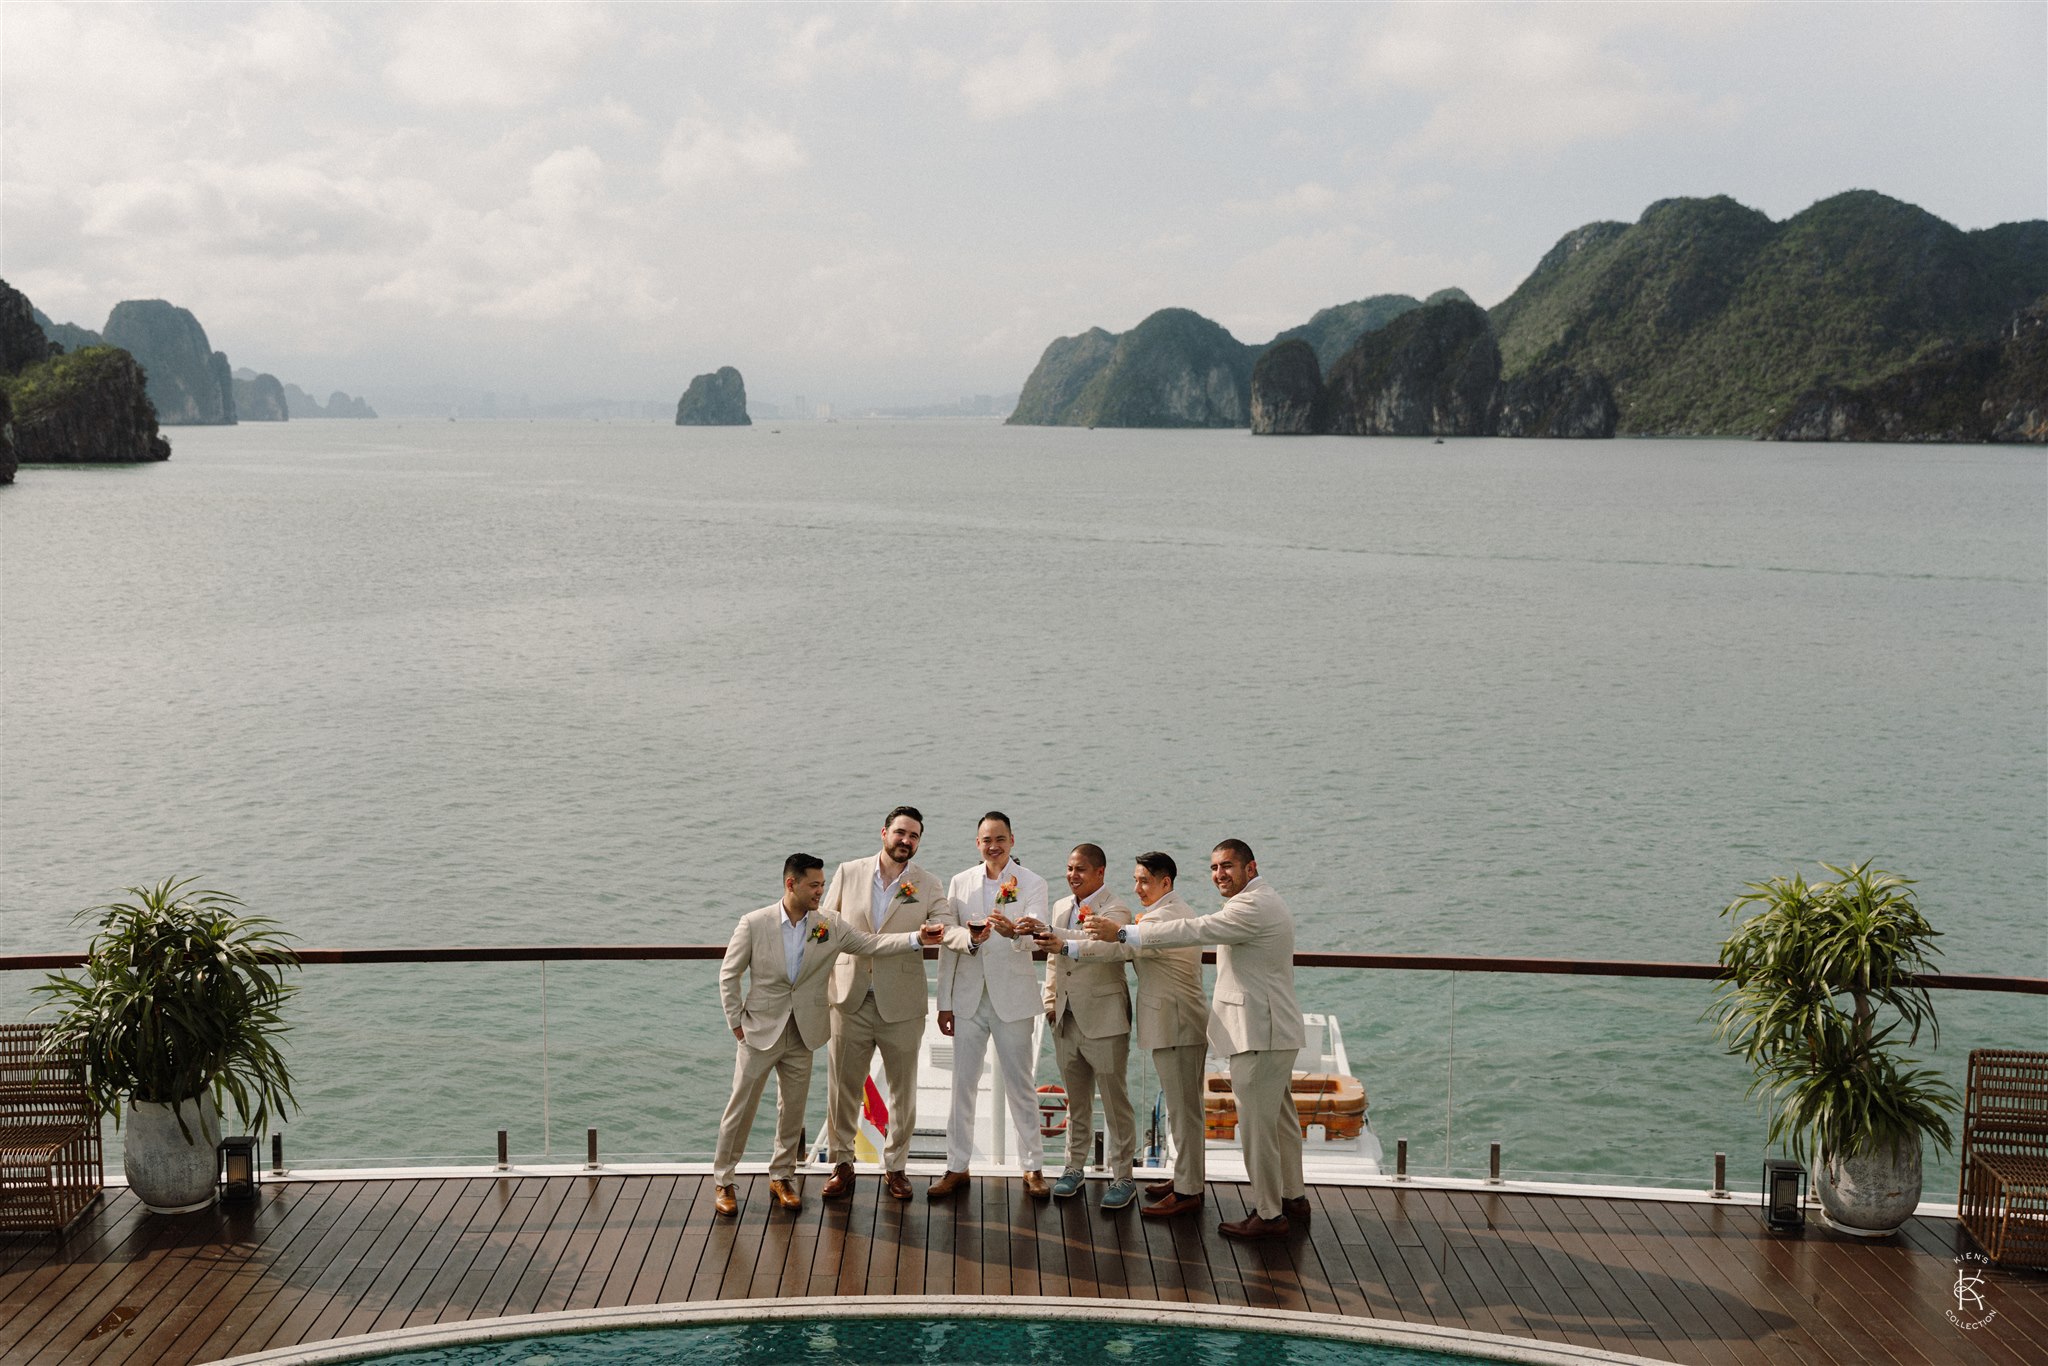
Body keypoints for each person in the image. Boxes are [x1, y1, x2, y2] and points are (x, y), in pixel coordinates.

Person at [1085, 839, 1305, 1240]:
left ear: (1250, 868)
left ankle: (1270, 1215)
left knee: (1259, 1129)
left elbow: (1197, 929)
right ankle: (1293, 1197)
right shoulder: (1263, 900)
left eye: (1228, 866)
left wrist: (1123, 932)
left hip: (1259, 1031)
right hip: (1272, 1029)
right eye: (1214, 867)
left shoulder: (1250, 906)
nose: (1219, 874)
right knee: (1281, 1122)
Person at [712, 854, 945, 1217]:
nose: (822, 891)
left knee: (792, 1111)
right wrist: (736, 1023)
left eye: (823, 884)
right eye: (814, 885)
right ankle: (724, 1181)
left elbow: (871, 944)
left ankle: (782, 1176)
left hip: (804, 1032)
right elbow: (729, 975)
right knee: (740, 1108)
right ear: (791, 884)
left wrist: (916, 938)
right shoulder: (754, 923)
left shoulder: (829, 924)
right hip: (758, 1031)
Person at [1046, 850, 1210, 1218]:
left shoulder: (1167, 916)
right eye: (1135, 879)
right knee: (1182, 1111)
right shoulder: (1155, 913)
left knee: (1182, 1112)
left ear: (1165, 882)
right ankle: (1186, 1180)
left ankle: (1183, 1192)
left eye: (1144, 881)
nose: (1136, 887)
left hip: (1177, 1022)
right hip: (1161, 1020)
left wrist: (1067, 940)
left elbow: (1119, 946)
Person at [819, 805, 962, 1201]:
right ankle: (842, 1164)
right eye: (900, 832)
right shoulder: (849, 872)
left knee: (903, 1091)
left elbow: (946, 926)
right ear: (883, 833)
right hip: (849, 997)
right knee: (843, 1088)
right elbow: (825, 924)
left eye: (914, 836)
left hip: (901, 1002)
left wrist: (968, 939)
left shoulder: (928, 883)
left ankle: (895, 1167)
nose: (906, 841)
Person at [929, 812, 1052, 1200]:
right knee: (962, 1086)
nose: (993, 846)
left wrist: (1014, 933)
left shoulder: (1034, 883)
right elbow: (950, 943)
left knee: (1021, 1086)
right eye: (986, 840)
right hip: (968, 999)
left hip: (1012, 999)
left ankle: (1032, 1167)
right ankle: (956, 1166)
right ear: (977, 843)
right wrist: (944, 1002)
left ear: (1012, 840)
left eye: (1000, 839)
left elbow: (1040, 934)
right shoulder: (960, 883)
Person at [1036, 843, 1137, 1209]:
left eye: (1080, 869)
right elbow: (1052, 960)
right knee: (1076, 1102)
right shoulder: (1062, 907)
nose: (1072, 875)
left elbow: (1109, 948)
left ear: (1100, 873)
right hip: (1065, 1017)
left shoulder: (1117, 909)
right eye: (1068, 868)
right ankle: (1072, 1167)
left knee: (1115, 1102)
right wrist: (1050, 1003)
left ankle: (1123, 1175)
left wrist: (1063, 944)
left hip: (1106, 1019)